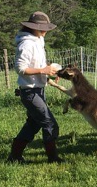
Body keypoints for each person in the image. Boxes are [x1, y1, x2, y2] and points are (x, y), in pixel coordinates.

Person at [8, 11, 63, 163]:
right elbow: (20, 68)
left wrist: (50, 73)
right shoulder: (26, 44)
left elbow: (38, 66)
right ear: (33, 28)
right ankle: (53, 158)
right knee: (49, 123)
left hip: (38, 90)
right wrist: (43, 70)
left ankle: (14, 157)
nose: (46, 31)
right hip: (30, 92)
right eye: (42, 28)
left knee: (33, 124)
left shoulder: (38, 40)